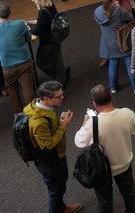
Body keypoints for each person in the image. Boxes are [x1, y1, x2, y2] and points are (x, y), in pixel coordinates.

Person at [74, 85, 135, 213]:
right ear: (111, 96)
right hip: (124, 163)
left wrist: (85, 123)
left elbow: (79, 142)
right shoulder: (127, 113)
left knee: (104, 201)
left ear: (94, 103)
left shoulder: (92, 123)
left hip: (101, 169)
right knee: (129, 194)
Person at [25, 81, 83, 213]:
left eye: (62, 94)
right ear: (46, 98)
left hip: (56, 157)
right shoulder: (38, 122)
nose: (63, 97)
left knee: (60, 186)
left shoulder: (44, 108)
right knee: (55, 191)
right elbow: (49, 145)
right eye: (59, 96)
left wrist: (59, 121)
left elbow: (49, 128)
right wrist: (63, 126)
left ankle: (61, 208)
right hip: (50, 162)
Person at [0, 1, 35, 114]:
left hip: (8, 67)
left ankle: (18, 114)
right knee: (27, 89)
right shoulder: (20, 24)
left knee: (12, 89)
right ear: (10, 12)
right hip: (25, 62)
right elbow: (29, 38)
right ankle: (31, 114)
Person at [94, 0, 135, 95]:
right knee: (130, 65)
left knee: (113, 65)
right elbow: (131, 18)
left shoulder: (97, 11)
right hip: (123, 42)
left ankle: (113, 88)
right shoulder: (119, 11)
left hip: (109, 44)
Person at [29, 0, 69, 85]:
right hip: (56, 37)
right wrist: (31, 22)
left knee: (41, 62)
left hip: (48, 41)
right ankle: (62, 77)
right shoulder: (50, 3)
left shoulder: (42, 11)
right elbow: (47, 20)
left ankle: (60, 80)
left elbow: (38, 30)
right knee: (57, 60)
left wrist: (27, 30)